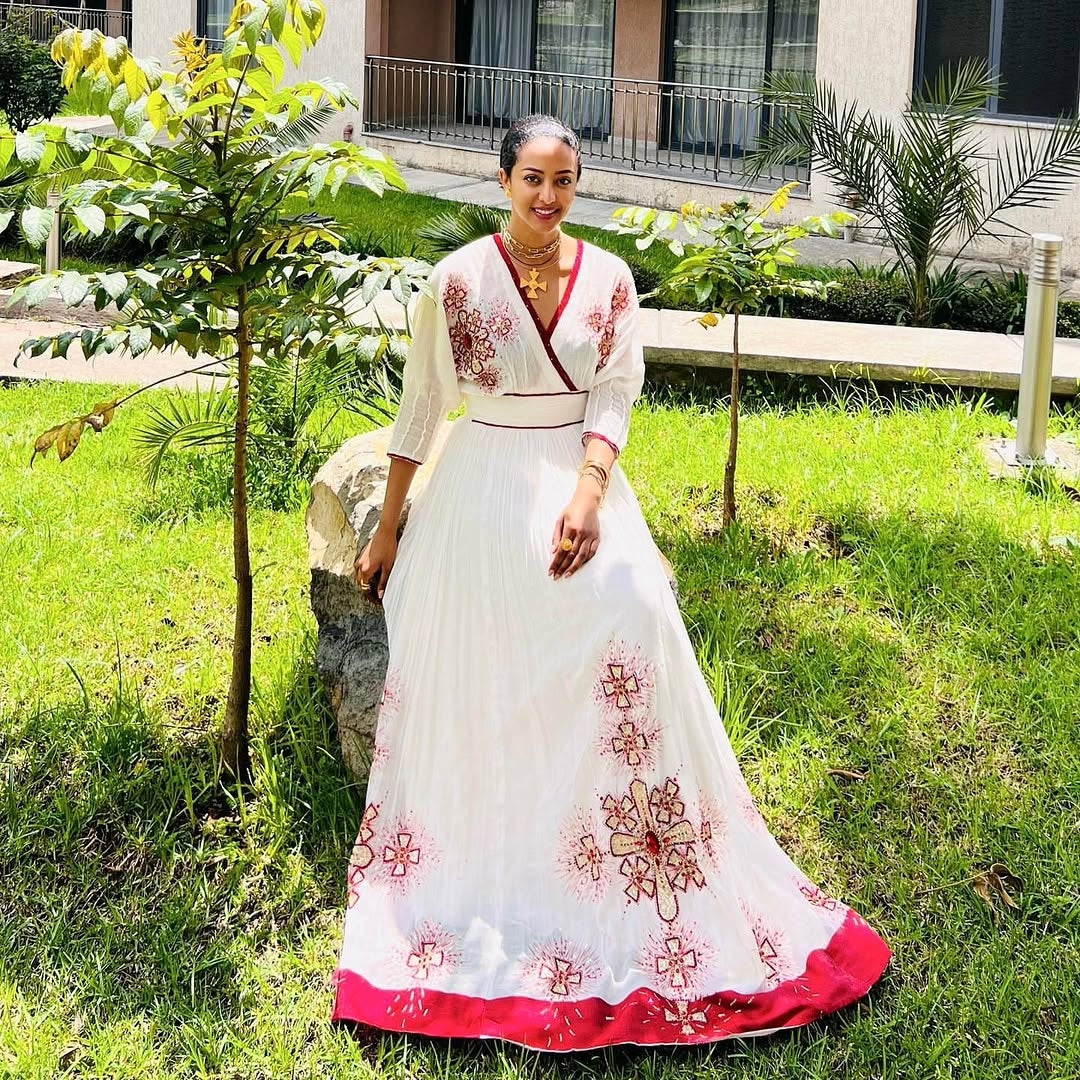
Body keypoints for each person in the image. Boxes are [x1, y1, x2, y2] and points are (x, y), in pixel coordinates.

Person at [333, 114, 890, 1050]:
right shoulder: (457, 280)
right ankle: (494, 872)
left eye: (565, 179)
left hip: (580, 488)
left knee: (630, 606)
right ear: (502, 180)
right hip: (476, 492)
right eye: (532, 178)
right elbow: (421, 407)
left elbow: (617, 393)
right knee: (484, 672)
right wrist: (389, 529)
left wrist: (591, 495)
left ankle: (623, 867)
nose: (548, 196)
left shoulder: (612, 279)